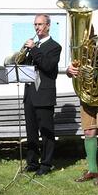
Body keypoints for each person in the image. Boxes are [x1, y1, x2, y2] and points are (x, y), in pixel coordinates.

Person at [22, 14, 62, 176]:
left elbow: (47, 66)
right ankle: (32, 162)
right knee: (30, 131)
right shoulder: (34, 46)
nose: (37, 27)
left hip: (44, 94)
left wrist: (34, 49)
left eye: (40, 24)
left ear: (48, 26)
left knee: (46, 132)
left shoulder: (54, 46)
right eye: (35, 25)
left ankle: (46, 164)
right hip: (30, 93)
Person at [66, 61, 98, 185]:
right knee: (88, 131)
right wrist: (69, 70)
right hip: (88, 95)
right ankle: (93, 170)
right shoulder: (85, 45)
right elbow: (74, 67)